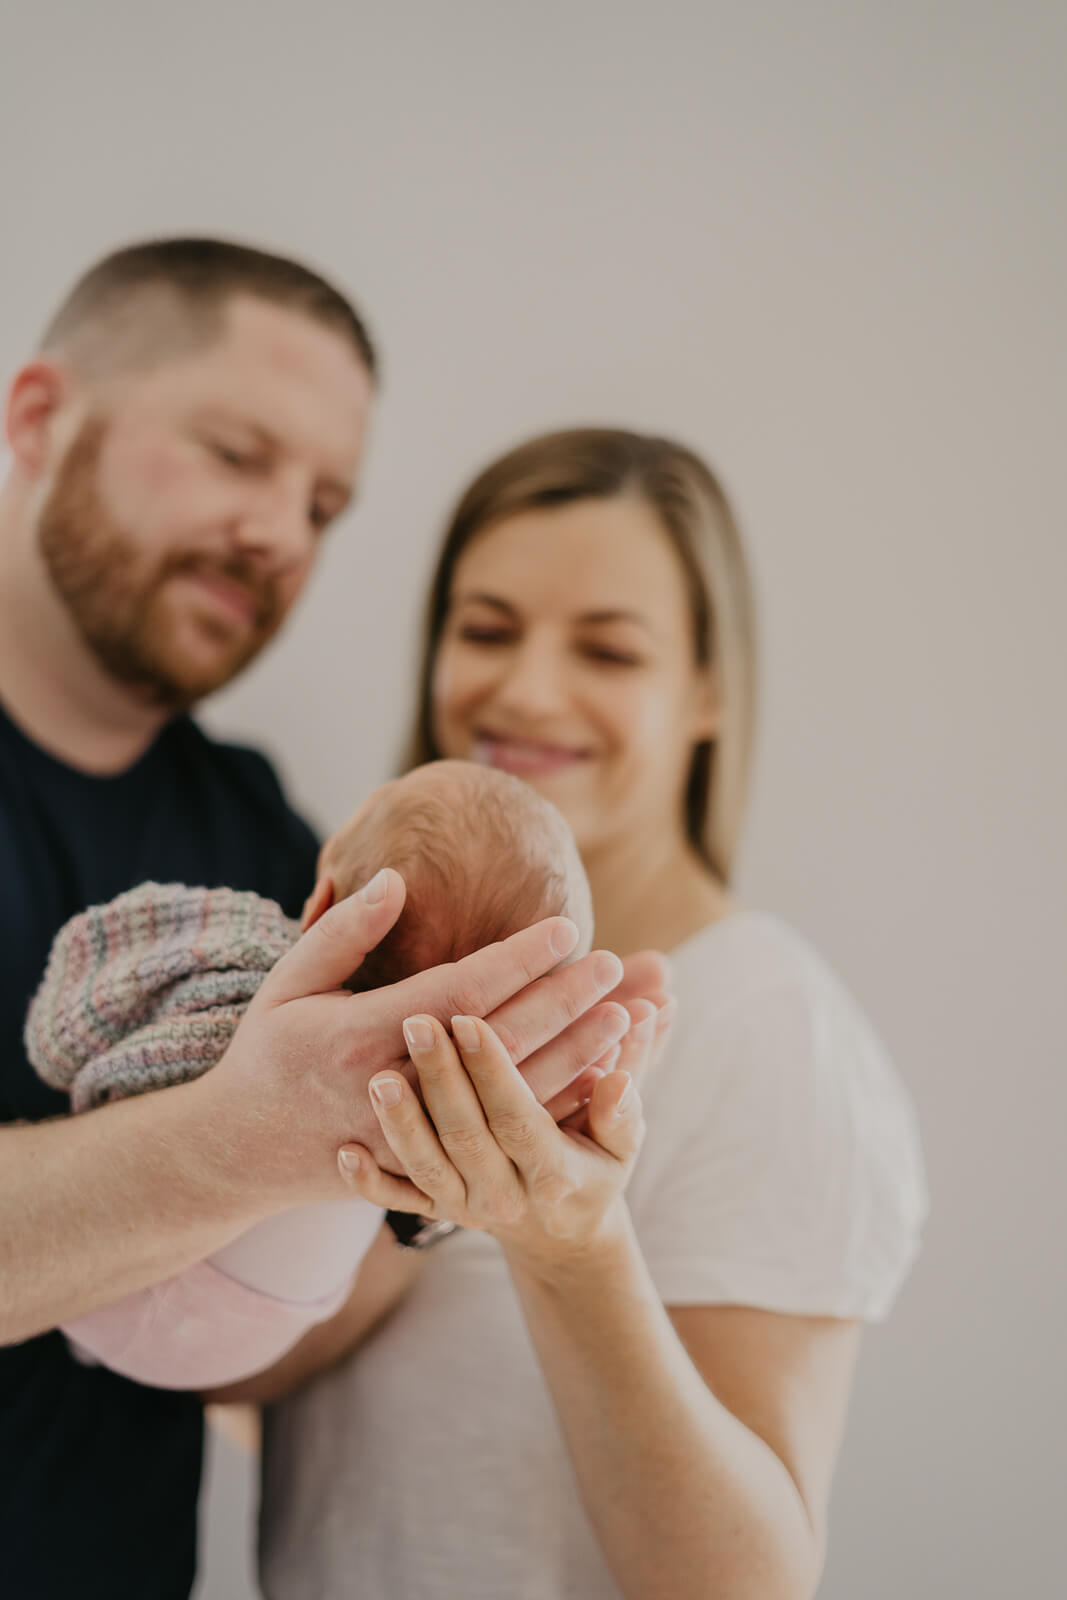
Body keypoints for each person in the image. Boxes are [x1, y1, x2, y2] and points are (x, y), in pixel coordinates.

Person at [0, 247, 665, 1600]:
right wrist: (236, 1142)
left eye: (323, 504)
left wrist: (432, 1177)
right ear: (37, 419)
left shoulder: (280, 848)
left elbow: (267, 1355)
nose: (280, 534)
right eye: (236, 454)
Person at [257, 428, 930, 1600]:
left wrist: (568, 1245)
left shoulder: (765, 1025)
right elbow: (249, 1382)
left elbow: (747, 1583)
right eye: (485, 629)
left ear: (709, 690)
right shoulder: (361, 994)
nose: (523, 690)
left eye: (608, 649)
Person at [25, 759, 601, 1389]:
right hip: (250, 1334)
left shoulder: (237, 952)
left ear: (324, 901)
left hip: (96, 1272)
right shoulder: (463, 1110)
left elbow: (66, 1030)